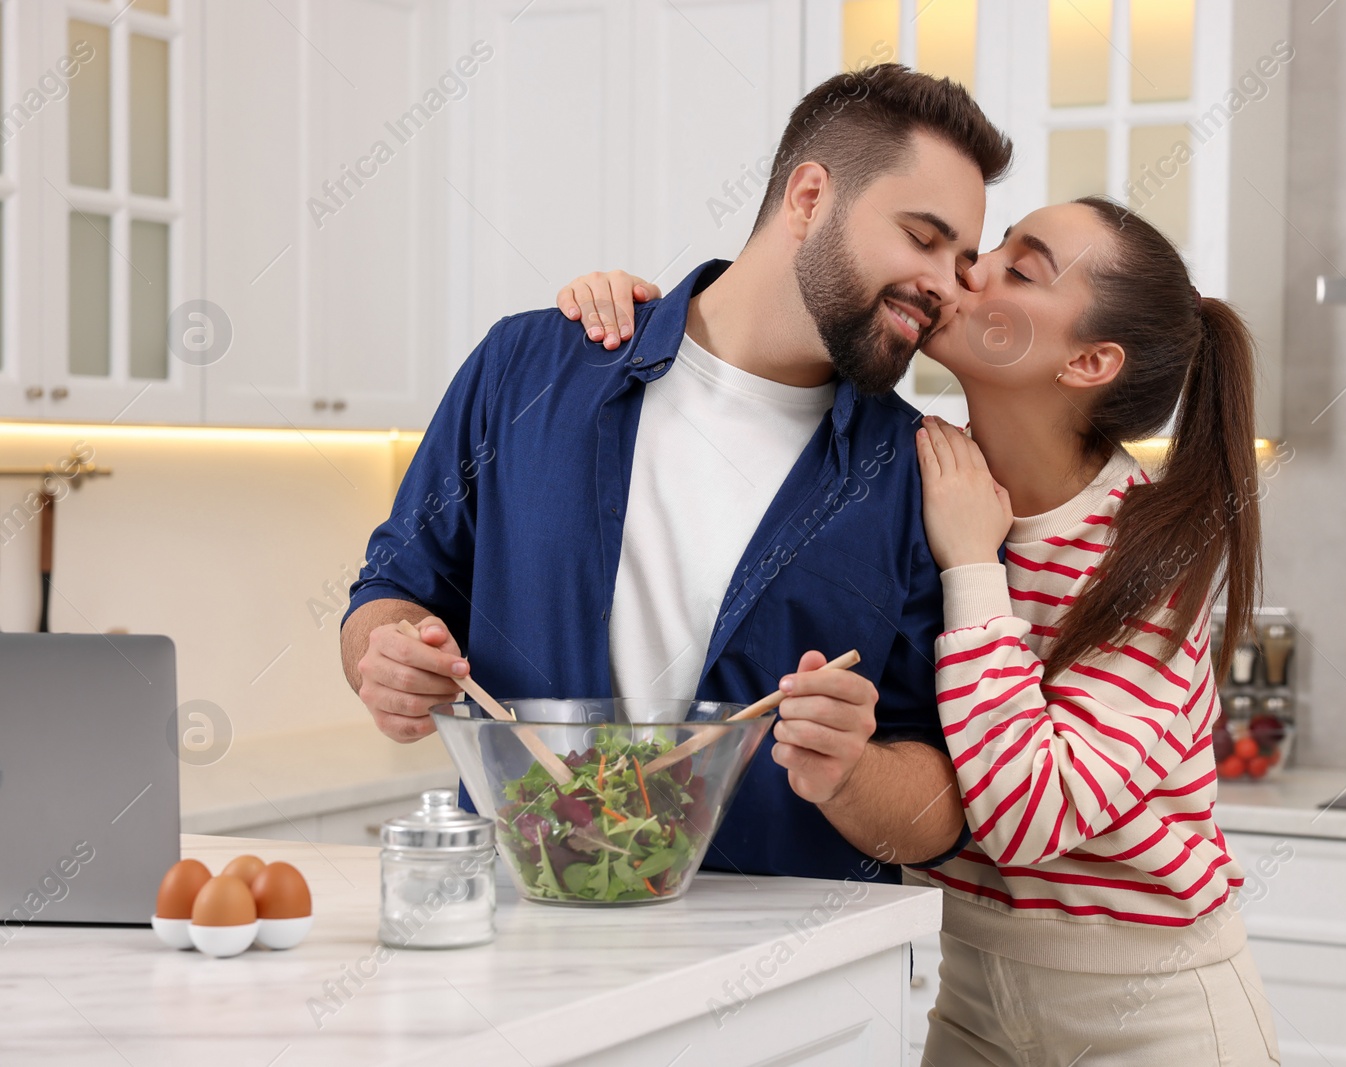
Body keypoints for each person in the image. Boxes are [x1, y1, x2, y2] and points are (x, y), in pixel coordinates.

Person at [556, 197, 1279, 1062]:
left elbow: (1020, 816)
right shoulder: (922, 471)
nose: (970, 268)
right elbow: (765, 343)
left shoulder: (1149, 556)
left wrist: (973, 567)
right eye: (993, 243)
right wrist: (648, 321)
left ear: (1088, 361)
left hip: (1154, 1013)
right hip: (969, 988)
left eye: (1020, 268)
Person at [339, 64, 1014, 884]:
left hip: (781, 985)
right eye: (923, 237)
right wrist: (390, 658)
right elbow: (389, 592)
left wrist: (852, 771)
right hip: (523, 936)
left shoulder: (921, 477)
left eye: (964, 258)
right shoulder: (530, 368)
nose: (948, 285)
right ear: (808, 200)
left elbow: (947, 804)